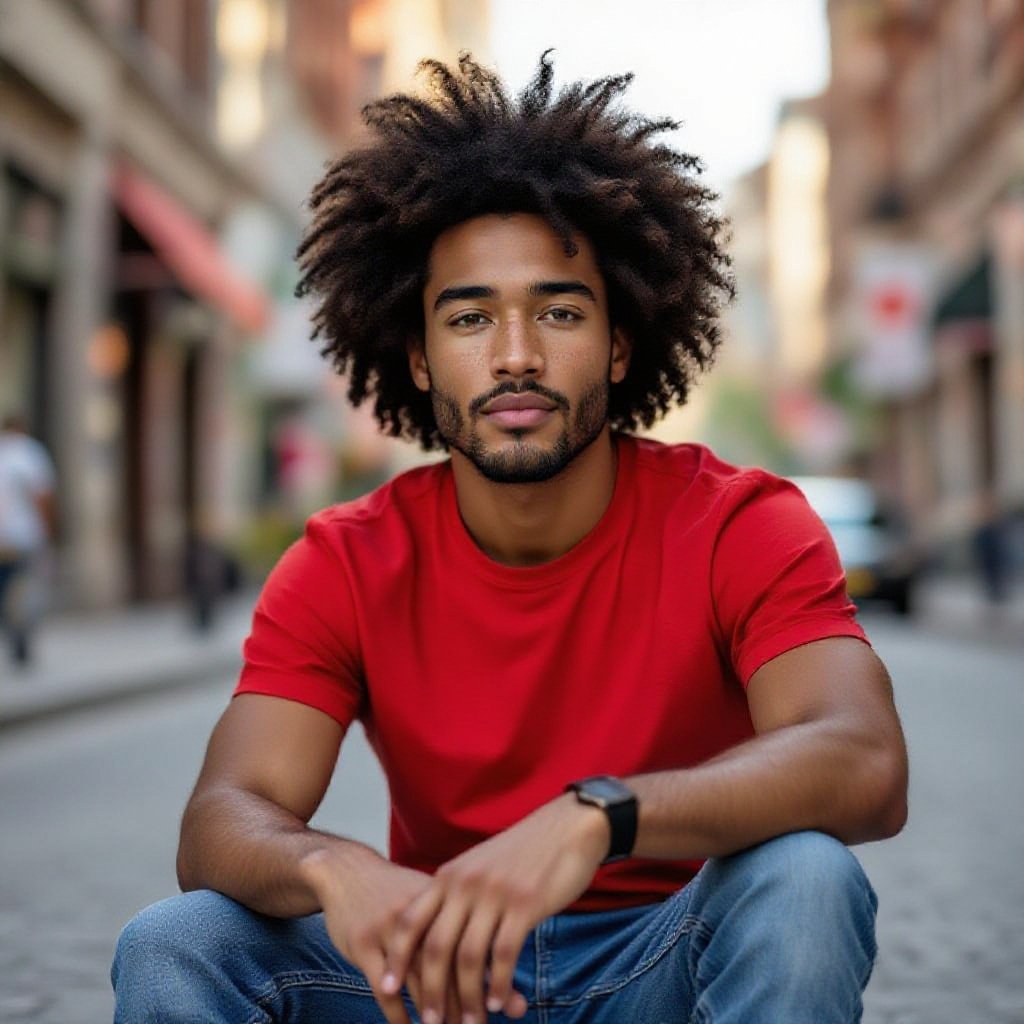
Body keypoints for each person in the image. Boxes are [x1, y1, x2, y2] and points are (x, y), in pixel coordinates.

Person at [112, 53, 908, 1024]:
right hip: (437, 977)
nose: (516, 354)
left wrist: (601, 816)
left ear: (619, 346)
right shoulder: (345, 559)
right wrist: (329, 863)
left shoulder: (739, 521)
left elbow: (862, 760)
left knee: (806, 879)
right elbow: (220, 821)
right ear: (416, 353)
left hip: (664, 962)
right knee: (174, 942)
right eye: (470, 316)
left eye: (559, 312)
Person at [0, 412, 56, 667]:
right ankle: (20, 638)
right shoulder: (29, 453)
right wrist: (47, 530)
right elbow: (42, 495)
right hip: (23, 537)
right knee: (23, 590)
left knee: (4, 589)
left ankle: (12, 632)